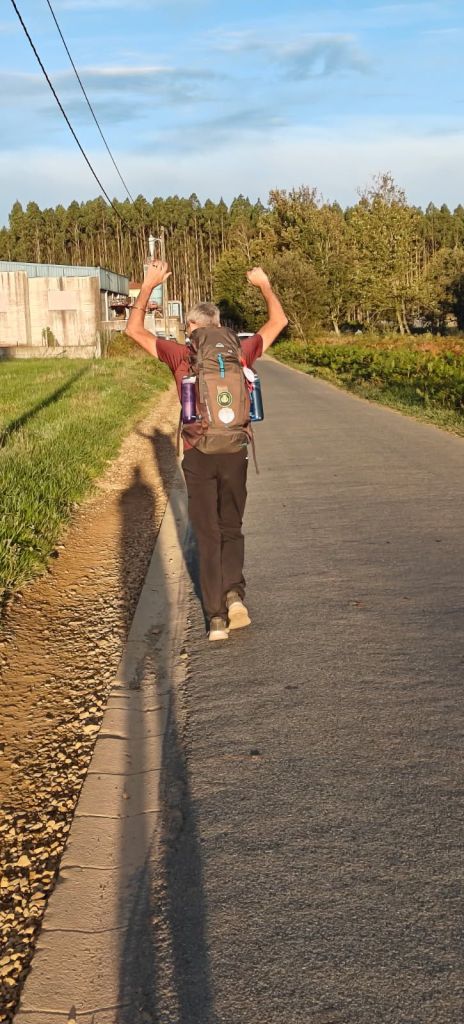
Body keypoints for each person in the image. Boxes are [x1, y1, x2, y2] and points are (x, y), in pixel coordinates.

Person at [126, 261, 287, 640]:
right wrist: (264, 285)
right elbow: (278, 321)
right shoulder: (240, 351)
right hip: (235, 450)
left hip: (197, 452)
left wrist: (148, 285)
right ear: (218, 324)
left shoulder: (181, 355)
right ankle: (234, 597)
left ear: (192, 327)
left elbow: (134, 330)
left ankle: (215, 617)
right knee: (231, 526)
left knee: (207, 532)